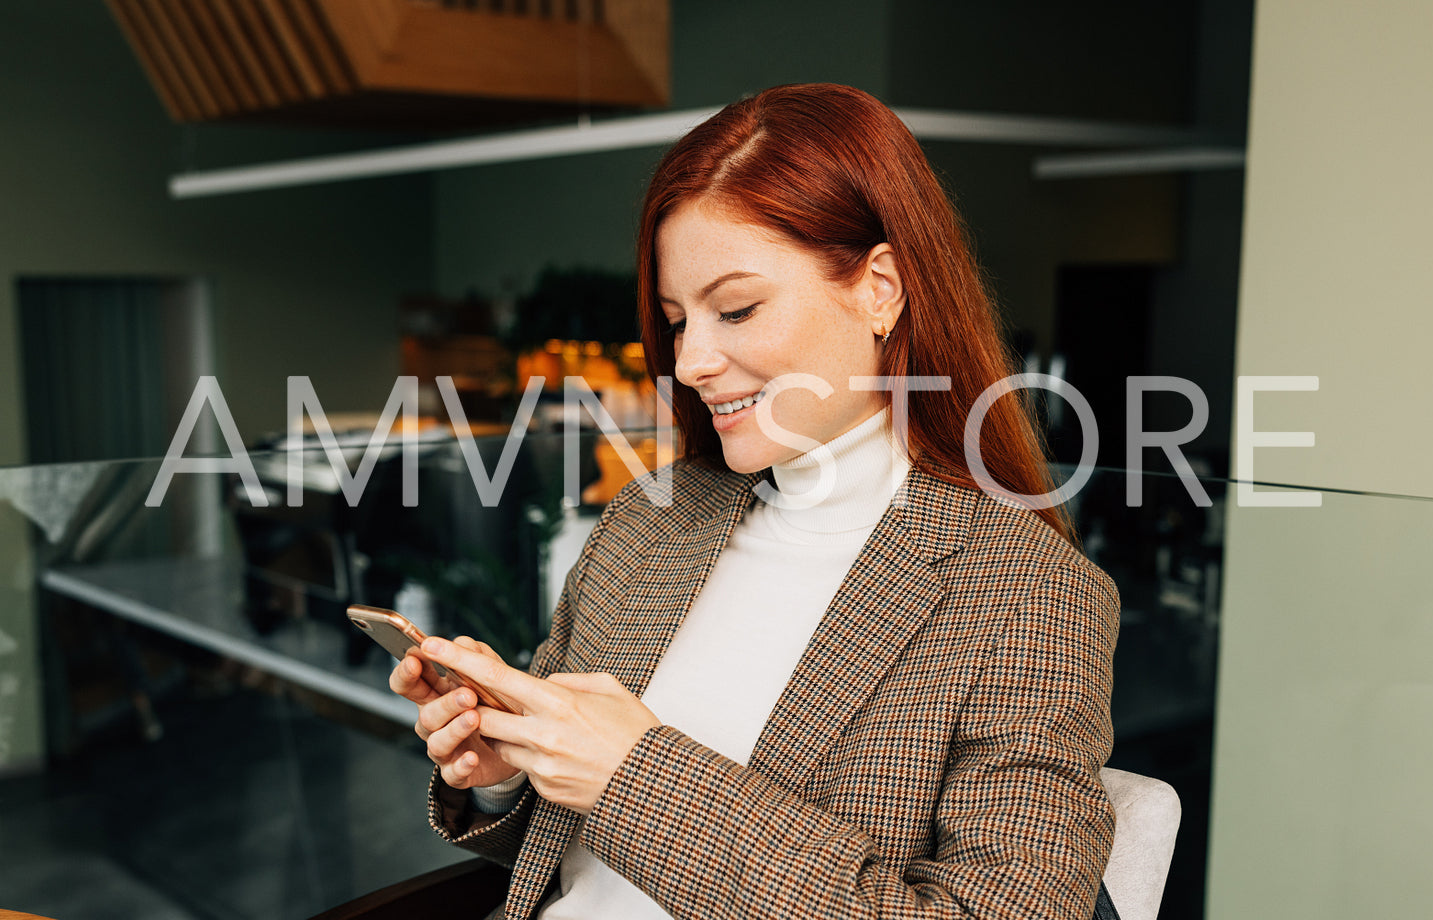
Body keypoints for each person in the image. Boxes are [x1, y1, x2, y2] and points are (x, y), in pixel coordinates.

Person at [390, 82, 1120, 920]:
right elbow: (568, 864)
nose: (693, 361)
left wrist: (633, 777)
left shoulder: (1024, 596)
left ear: (879, 288)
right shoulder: (650, 521)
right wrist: (507, 775)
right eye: (675, 320)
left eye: (735, 309)